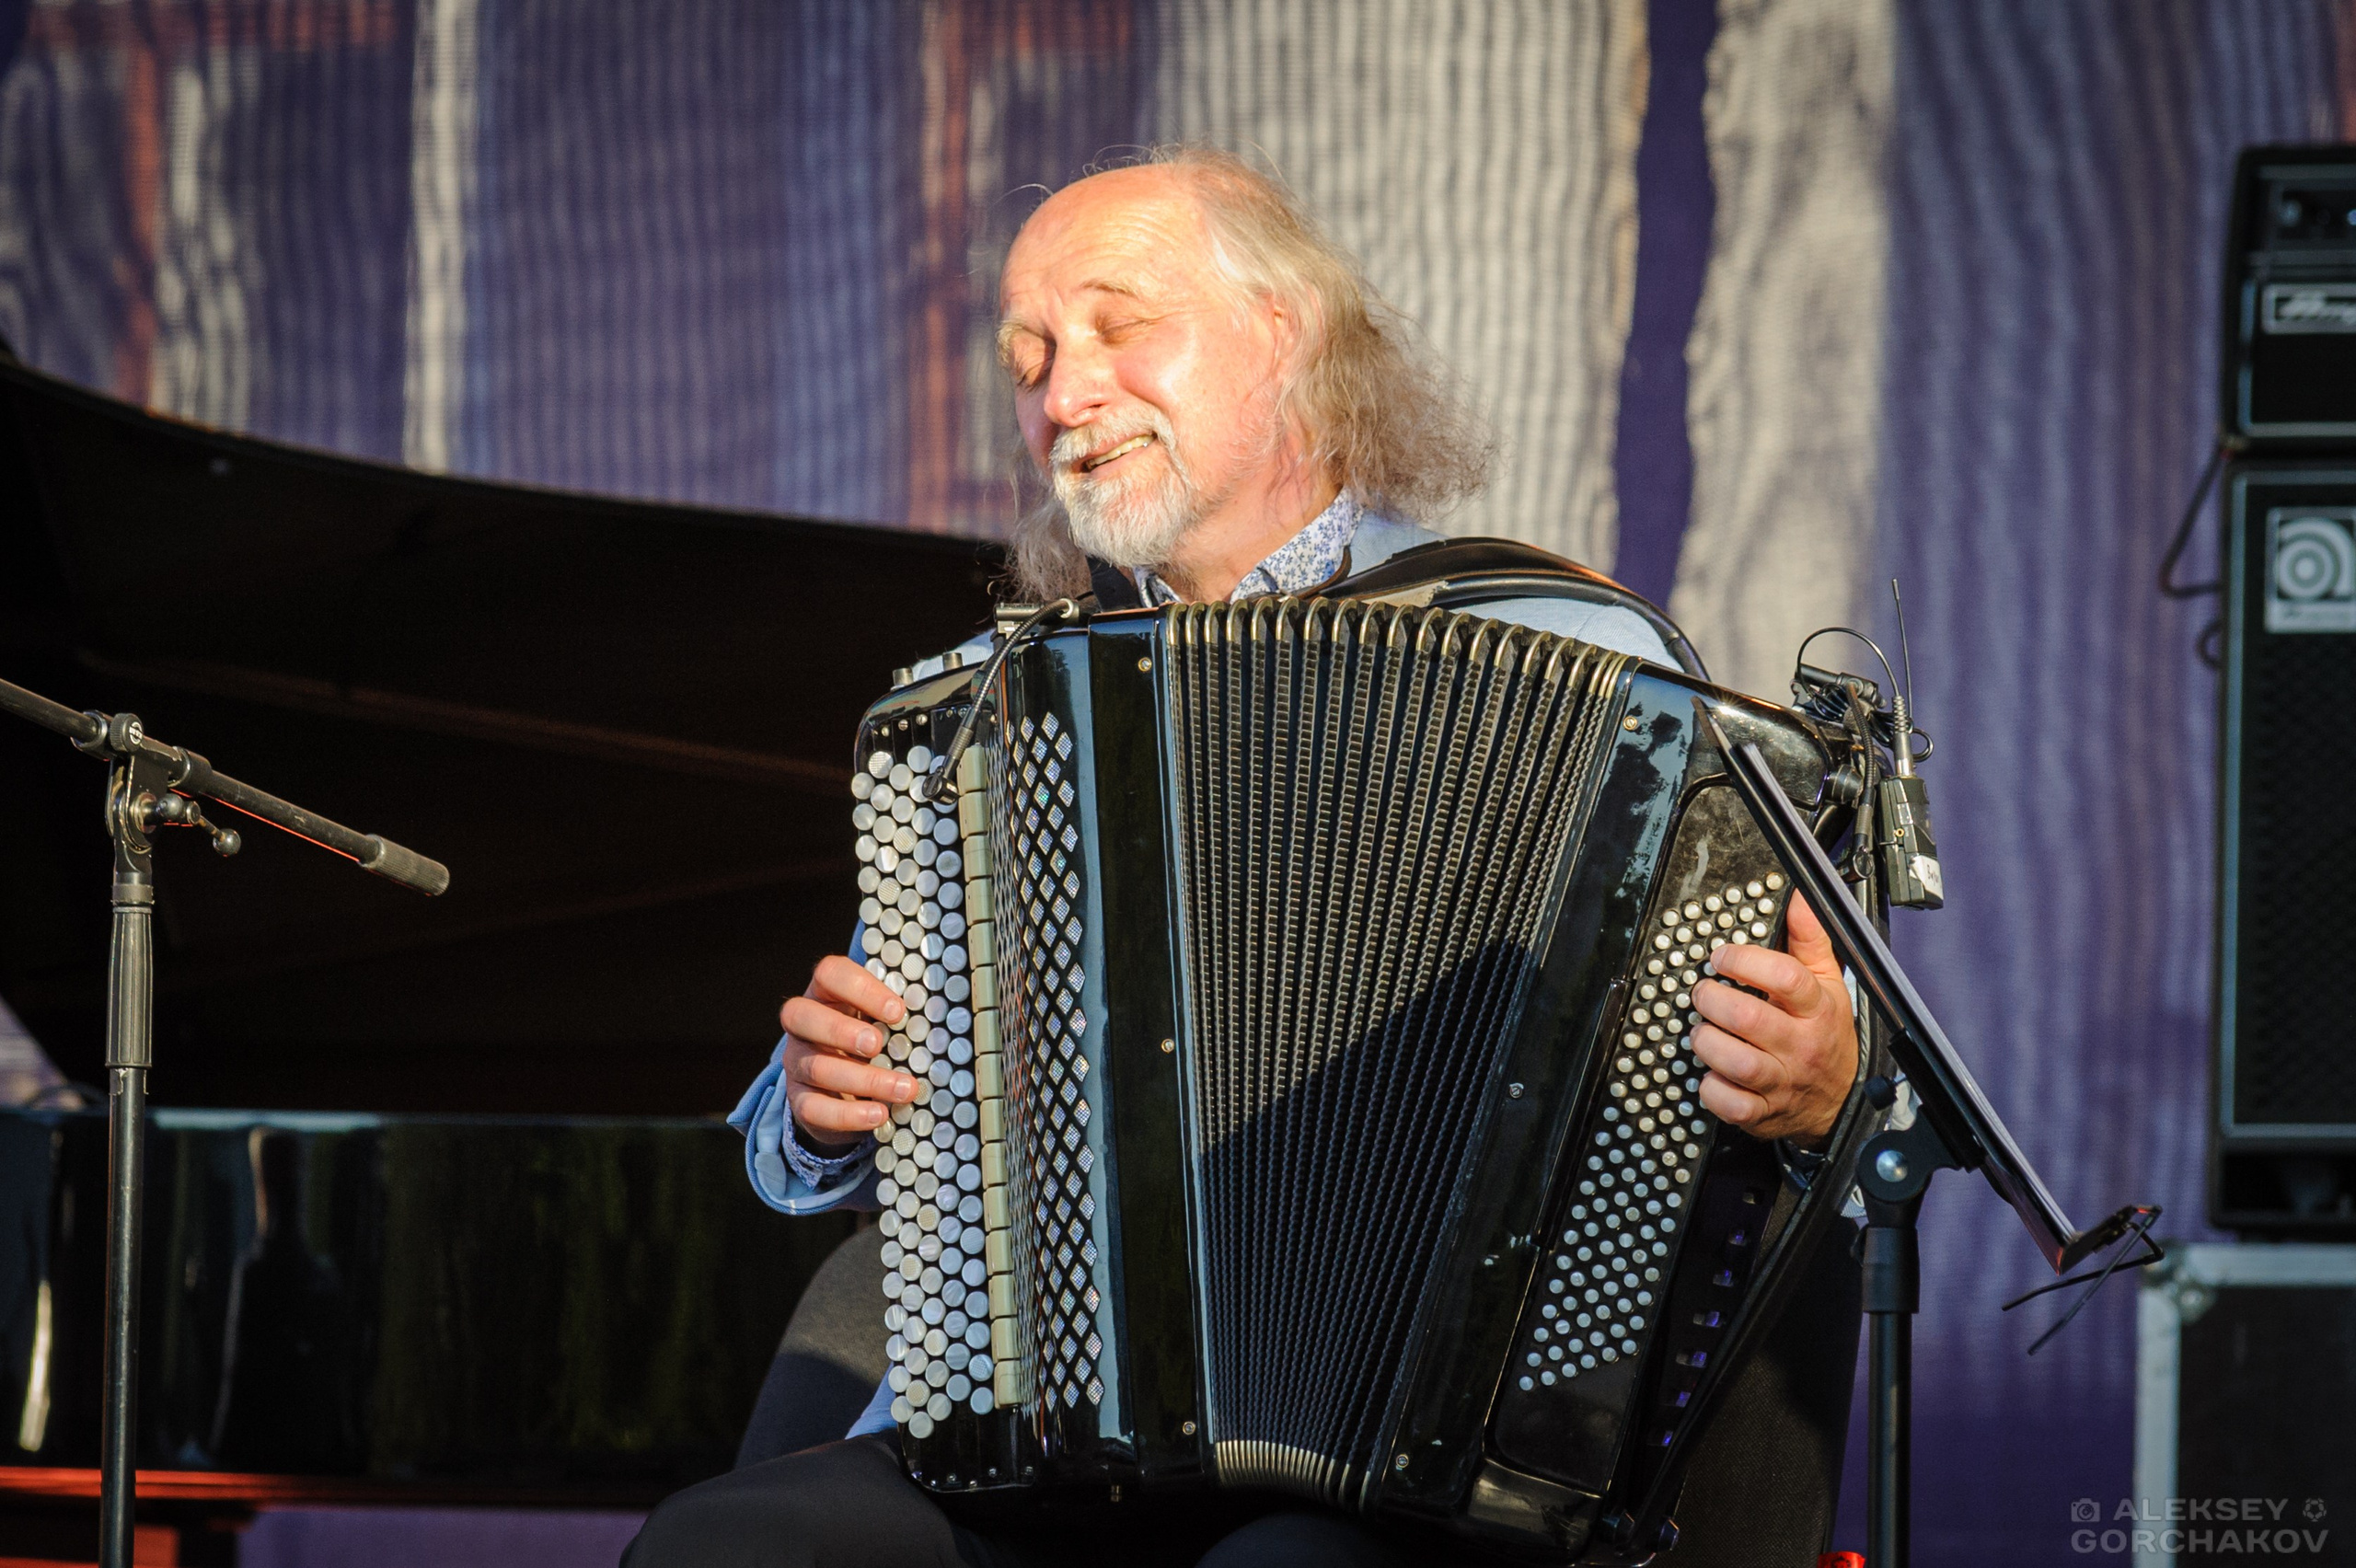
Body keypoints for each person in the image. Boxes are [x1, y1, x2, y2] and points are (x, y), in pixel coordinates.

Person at [626, 147, 1861, 1568]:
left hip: (1456, 1457)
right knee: (723, 1549)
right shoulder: (990, 716)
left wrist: (1816, 1077)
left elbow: (1816, 1105)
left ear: (1287, 335)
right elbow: (834, 1134)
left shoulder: (1584, 665)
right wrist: (825, 1105)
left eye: (1115, 326)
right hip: (1057, 1442)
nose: (1059, 395)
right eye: (1029, 359)